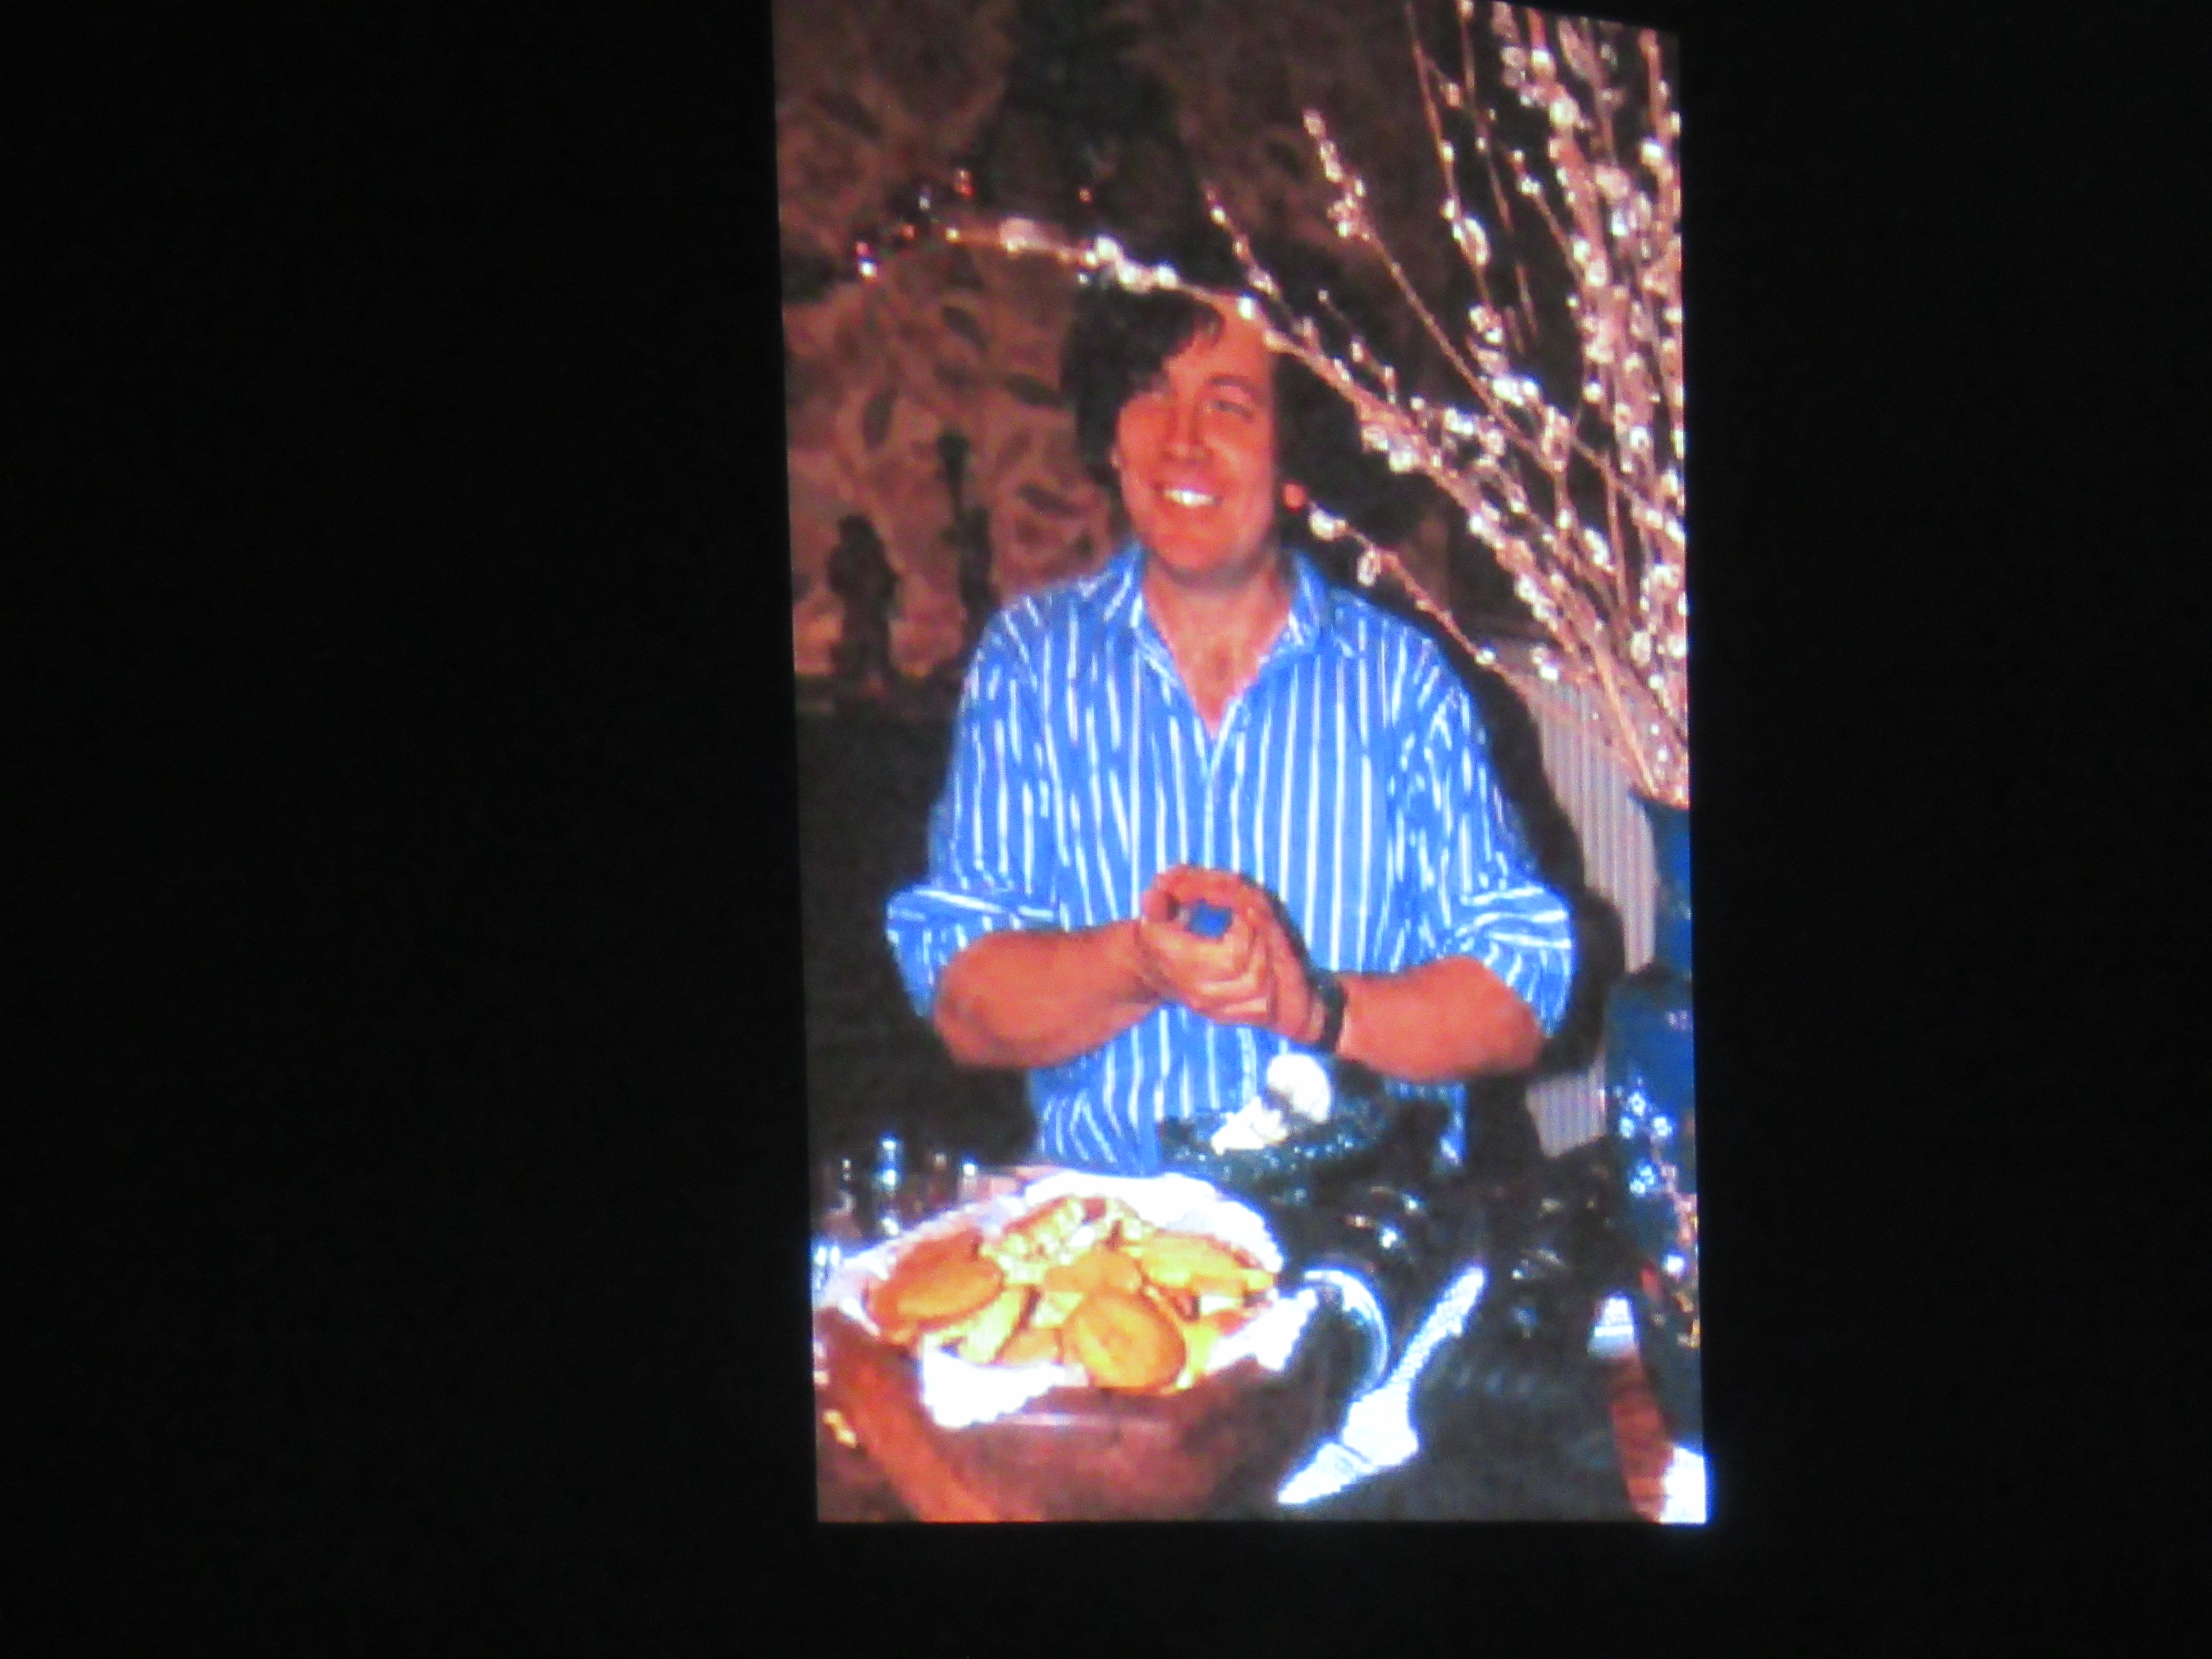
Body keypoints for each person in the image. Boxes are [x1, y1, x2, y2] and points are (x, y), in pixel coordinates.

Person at [884, 245, 1575, 1177]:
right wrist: (1137, 966)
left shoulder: (1400, 682)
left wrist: (1320, 1010)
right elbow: (965, 1001)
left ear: (1296, 463)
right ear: (1111, 438)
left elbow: (1518, 997)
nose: (1181, 440)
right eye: (1150, 394)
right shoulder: (1031, 666)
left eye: (1229, 405)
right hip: (1109, 1229)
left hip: (1345, 1220)